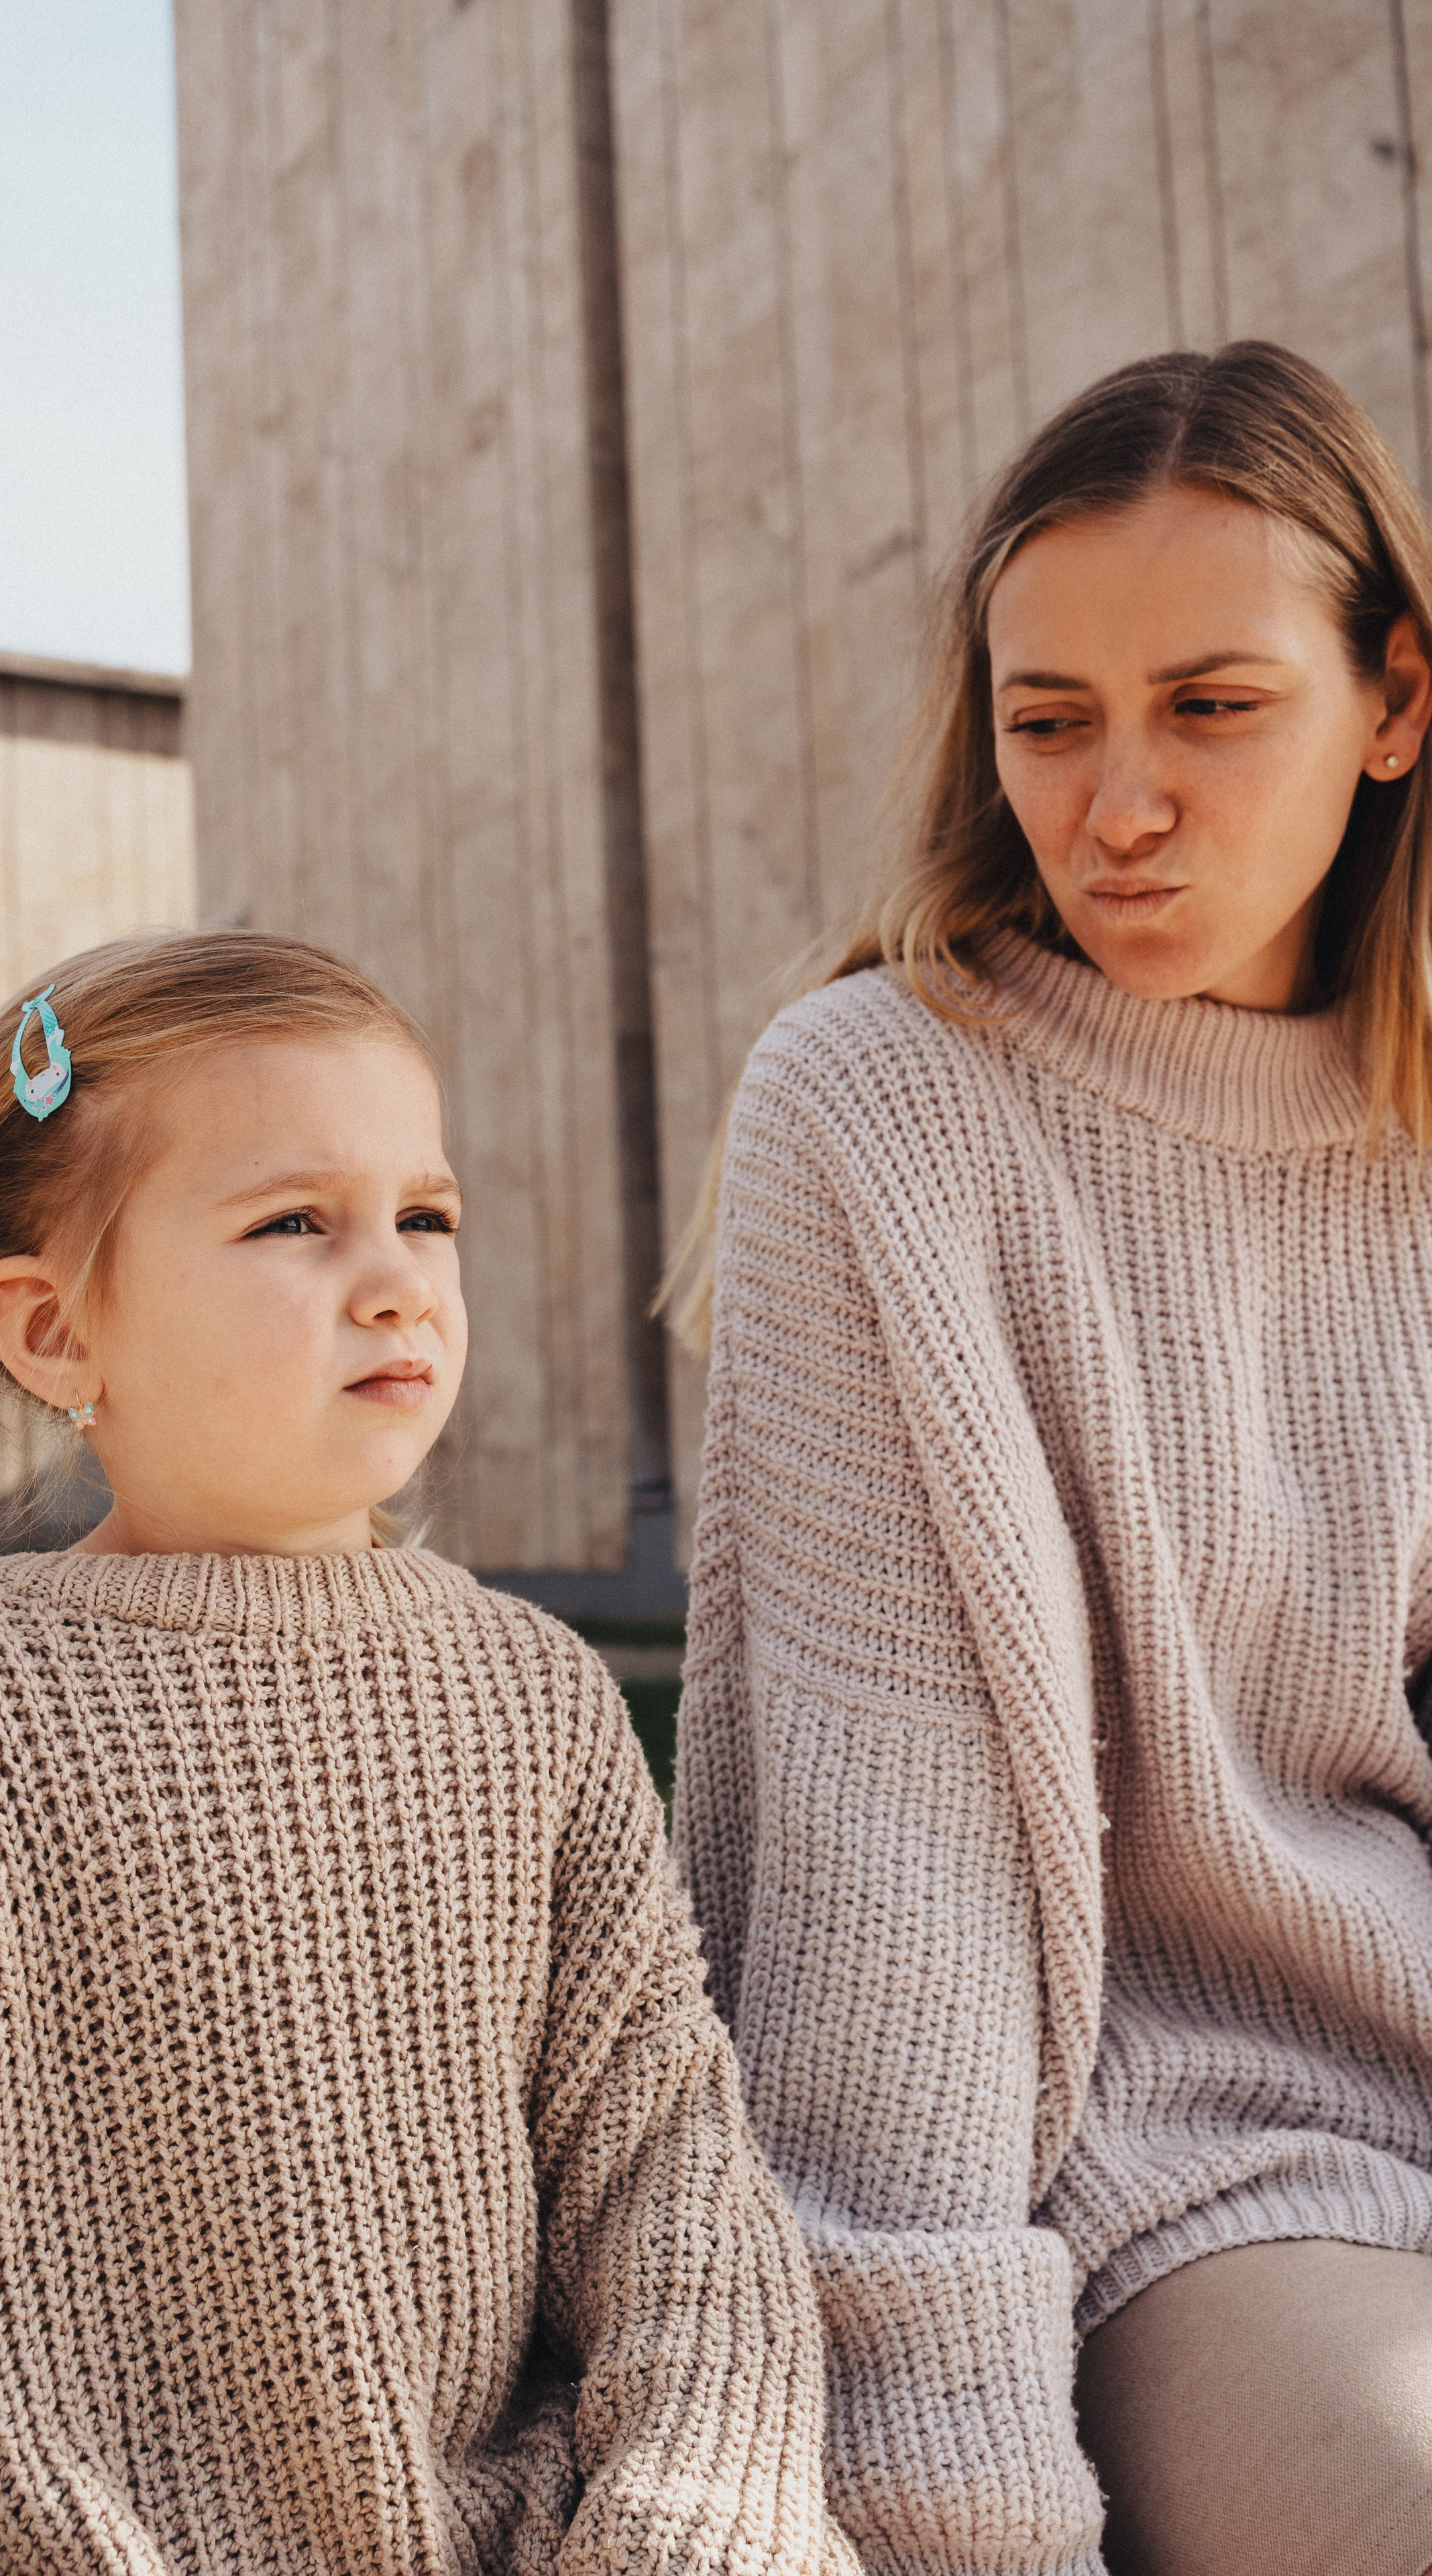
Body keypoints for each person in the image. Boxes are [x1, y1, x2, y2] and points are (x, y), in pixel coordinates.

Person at [0, 930, 857, 2576]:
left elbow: (664, 2171)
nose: (395, 1276)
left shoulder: (533, 1696)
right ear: (51, 1333)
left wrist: (700, 2510)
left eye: (427, 1216)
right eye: (293, 1224)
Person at [669, 341, 1432, 2576]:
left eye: (1214, 706)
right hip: (1192, 2172)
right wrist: (955, 2506)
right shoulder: (882, 1111)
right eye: (1049, 720)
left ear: (1395, 701)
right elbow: (873, 1904)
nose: (1118, 808)